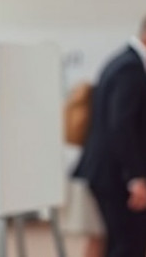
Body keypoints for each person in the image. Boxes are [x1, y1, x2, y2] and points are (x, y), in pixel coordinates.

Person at [73, 16, 146, 257]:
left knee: (119, 242)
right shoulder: (130, 68)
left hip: (109, 172)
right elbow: (121, 126)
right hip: (115, 174)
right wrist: (136, 177)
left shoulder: (123, 61)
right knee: (129, 244)